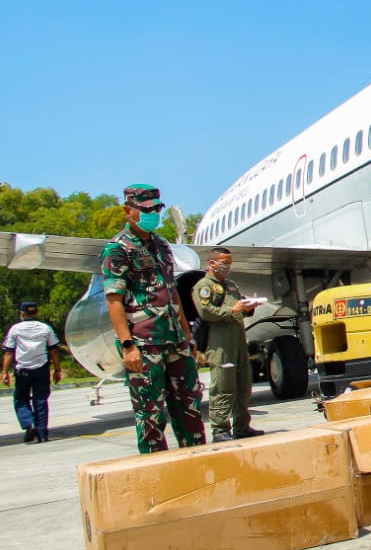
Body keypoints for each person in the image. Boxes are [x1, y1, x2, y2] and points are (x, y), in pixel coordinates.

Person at [100, 184, 206, 454]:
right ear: (129, 211)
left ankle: (195, 469)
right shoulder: (117, 249)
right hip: (144, 345)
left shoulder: (161, 245)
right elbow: (114, 300)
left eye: (157, 209)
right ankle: (158, 480)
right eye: (146, 210)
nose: (153, 214)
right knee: (150, 417)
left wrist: (187, 336)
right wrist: (127, 345)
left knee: (190, 410)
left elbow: (173, 294)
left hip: (176, 341)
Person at [193, 247, 265, 442]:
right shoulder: (204, 286)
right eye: (223, 263)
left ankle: (242, 426)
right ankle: (220, 429)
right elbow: (206, 311)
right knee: (223, 386)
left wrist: (248, 307)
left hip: (239, 340)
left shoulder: (231, 286)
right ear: (212, 263)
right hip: (220, 344)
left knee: (243, 384)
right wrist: (232, 311)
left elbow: (240, 308)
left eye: (229, 263)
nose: (227, 267)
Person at [1, 301, 62, 443]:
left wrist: (4, 372)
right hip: (41, 368)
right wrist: (57, 370)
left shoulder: (15, 329)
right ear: (36, 312)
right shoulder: (46, 328)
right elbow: (53, 349)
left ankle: (29, 423)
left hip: (23, 369)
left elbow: (9, 352)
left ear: (22, 313)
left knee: (21, 398)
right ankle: (42, 434)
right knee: (40, 400)